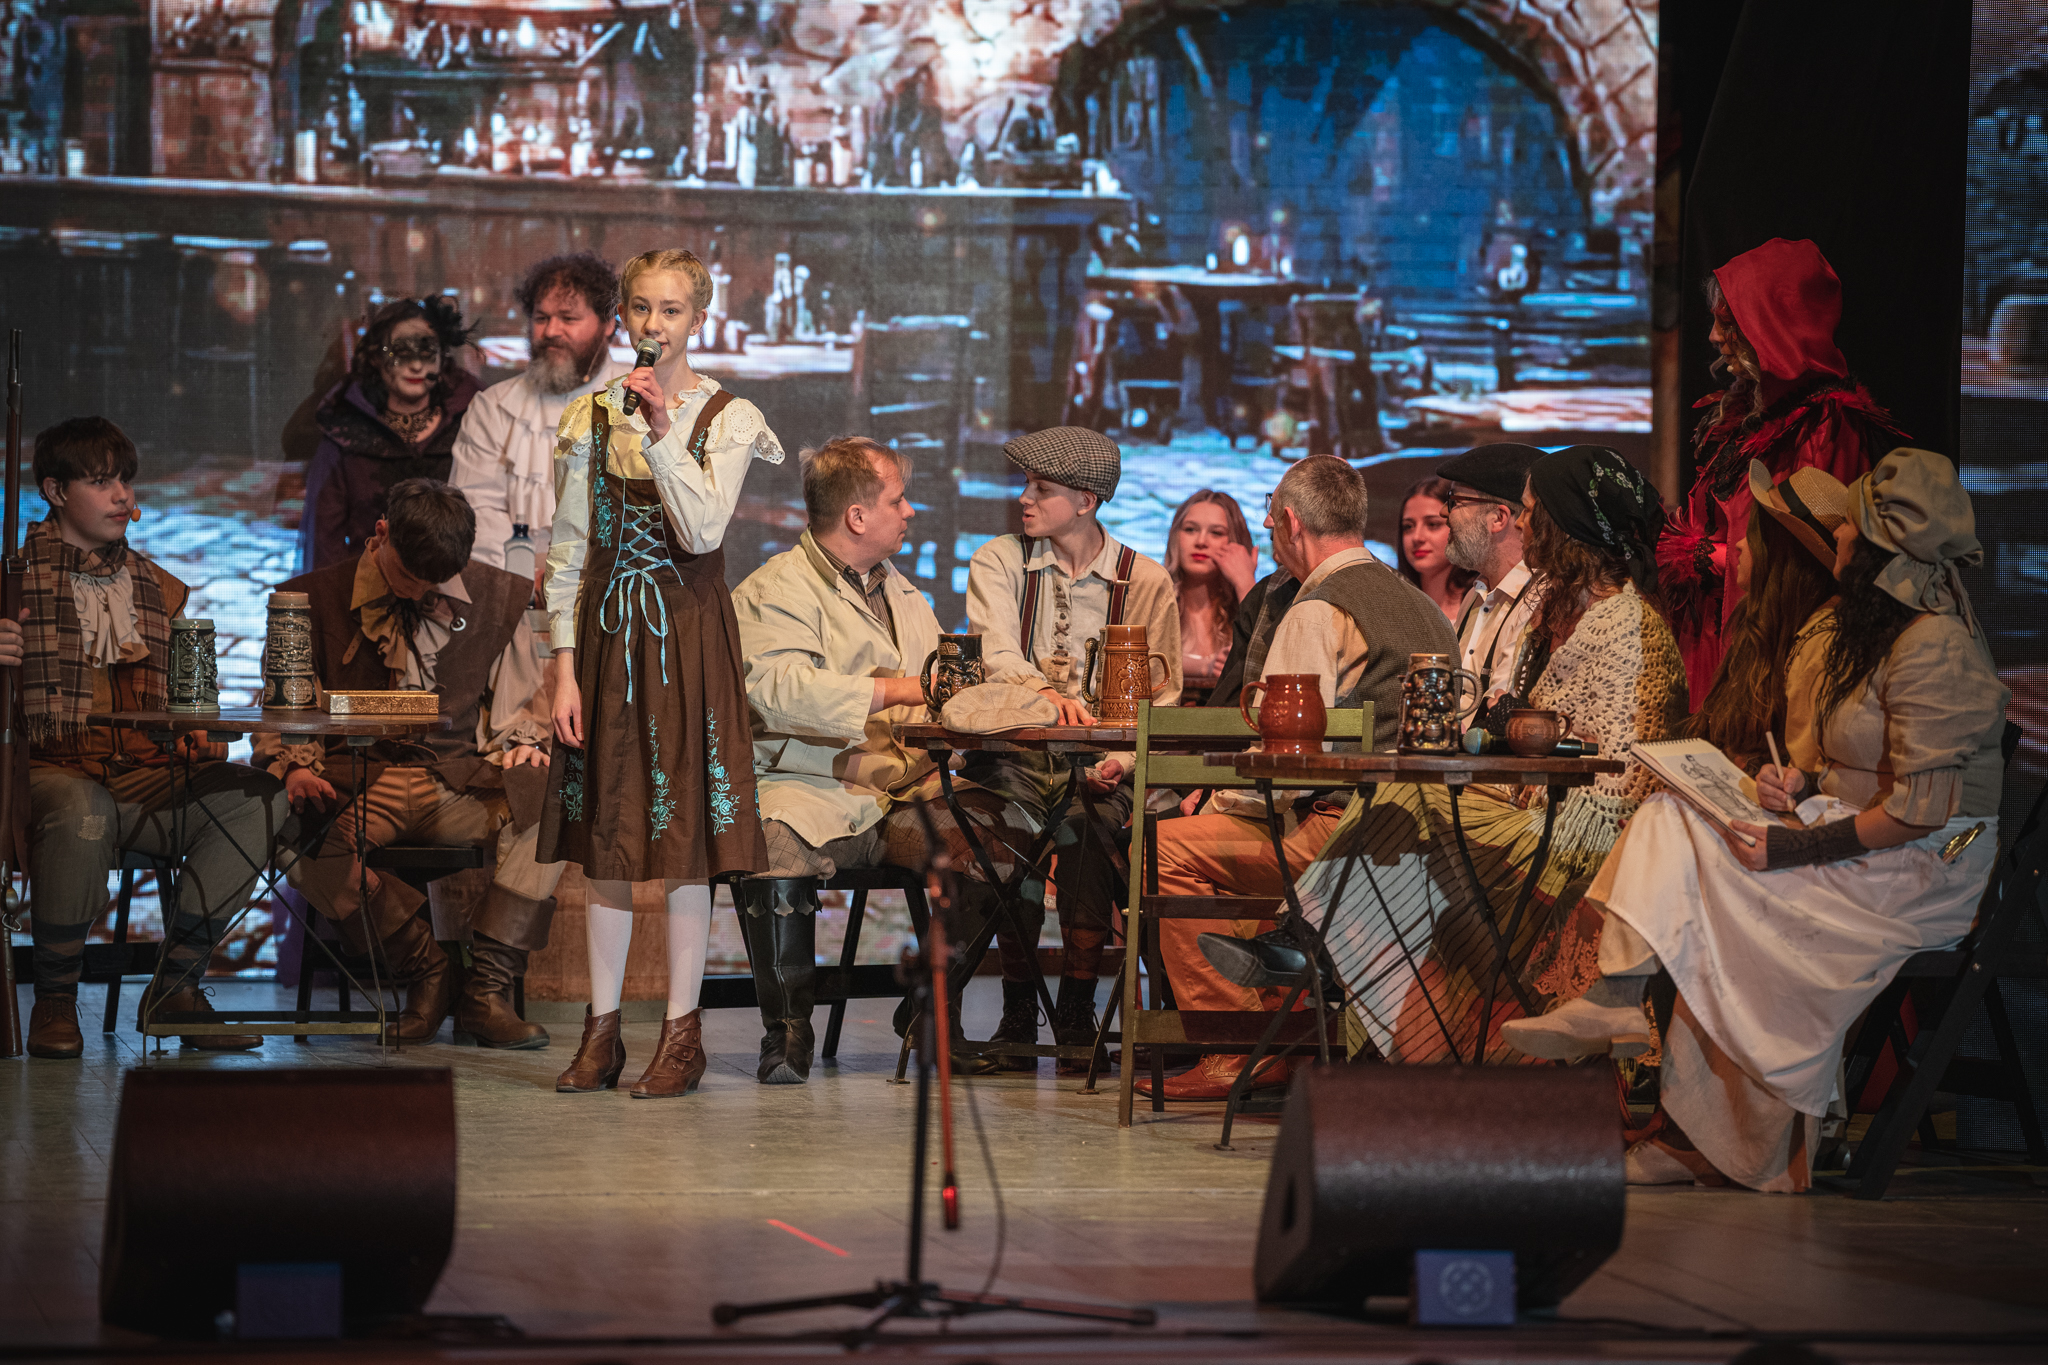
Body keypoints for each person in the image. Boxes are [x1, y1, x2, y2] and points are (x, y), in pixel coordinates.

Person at [1508, 450, 2006, 1193]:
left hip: (1921, 868)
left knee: (1730, 903)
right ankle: (1617, 996)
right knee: (1674, 809)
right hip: (1849, 835)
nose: (1838, 537)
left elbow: (1918, 812)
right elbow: (1840, 758)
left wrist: (1794, 845)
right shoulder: (1863, 634)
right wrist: (1794, 782)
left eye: (1850, 526)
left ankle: (1722, 1142)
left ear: (1878, 545)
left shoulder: (1936, 646)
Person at [1277, 446, 1685, 1069]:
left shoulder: (1621, 621)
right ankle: (1347, 977)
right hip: (1538, 804)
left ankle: (1315, 945)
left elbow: (1615, 781)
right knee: (1404, 804)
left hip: (1585, 831)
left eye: (1534, 512)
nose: (1524, 524)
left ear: (1566, 526)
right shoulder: (1571, 613)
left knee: (1410, 800)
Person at [540, 247, 781, 1099]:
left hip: (685, 636)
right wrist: (562, 668)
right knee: (608, 831)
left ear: (698, 318)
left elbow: (704, 530)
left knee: (682, 840)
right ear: (624, 317)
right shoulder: (589, 414)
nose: (654, 325)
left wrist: (659, 429)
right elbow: (568, 549)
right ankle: (601, 1030)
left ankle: (682, 1034)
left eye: (671, 310)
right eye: (641, 308)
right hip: (608, 637)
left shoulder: (727, 416)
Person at [1142, 456, 1458, 1100]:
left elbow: (1283, 767)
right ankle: (1279, 1033)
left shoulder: (1317, 609)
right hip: (1427, 830)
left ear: (1290, 523)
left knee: (1161, 848)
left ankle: (1239, 1048)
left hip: (1344, 835)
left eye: (1268, 520)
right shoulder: (1422, 605)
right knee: (1230, 839)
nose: (1268, 530)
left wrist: (1216, 804)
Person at [730, 437, 1038, 1084]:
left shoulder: (904, 594)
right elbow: (778, 690)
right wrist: (900, 690)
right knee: (774, 840)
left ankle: (929, 1013)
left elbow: (943, 688)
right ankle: (787, 1033)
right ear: (857, 516)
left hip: (905, 788)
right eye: (898, 500)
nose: (910, 511)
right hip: (812, 780)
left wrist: (1018, 701)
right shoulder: (774, 589)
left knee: (1001, 839)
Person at [19, 418, 288, 1059]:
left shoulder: (155, 587)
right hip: (47, 774)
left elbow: (185, 700)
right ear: (55, 491)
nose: (121, 496)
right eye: (100, 481)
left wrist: (200, 736)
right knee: (80, 809)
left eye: (125, 481)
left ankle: (177, 987)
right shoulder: (13, 582)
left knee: (258, 798)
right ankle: (55, 997)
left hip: (142, 775)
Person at [263, 479, 560, 1047]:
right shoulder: (308, 600)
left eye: (435, 579)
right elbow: (284, 709)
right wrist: (295, 765)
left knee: (551, 803)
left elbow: (518, 707)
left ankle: (486, 992)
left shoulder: (498, 597)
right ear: (381, 534)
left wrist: (526, 742)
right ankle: (427, 970)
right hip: (358, 784)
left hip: (455, 783)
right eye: (409, 574)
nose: (421, 589)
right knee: (283, 832)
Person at [963, 427, 1181, 1074]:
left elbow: (1162, 700)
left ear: (1086, 501)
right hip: (1017, 756)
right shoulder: (1000, 560)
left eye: (1041, 488)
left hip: (1103, 765)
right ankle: (1017, 1010)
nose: (1024, 499)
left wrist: (1123, 763)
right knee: (1003, 830)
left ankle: (1079, 1008)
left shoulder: (1144, 579)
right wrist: (1039, 694)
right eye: (1025, 485)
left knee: (1088, 829)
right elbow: (995, 651)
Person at [1657, 237, 1902, 705]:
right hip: (1710, 635)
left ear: (1769, 325)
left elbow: (1810, 555)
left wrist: (1710, 558)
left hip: (1763, 642)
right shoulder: (1743, 416)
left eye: (1729, 322)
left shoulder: (1824, 426)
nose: (1714, 337)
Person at [449, 254, 634, 573]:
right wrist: (523, 579)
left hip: (616, 583)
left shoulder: (639, 397)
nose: (551, 331)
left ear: (608, 324)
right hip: (514, 581)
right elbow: (476, 510)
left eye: (568, 318)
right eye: (541, 318)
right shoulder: (493, 407)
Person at [1682, 463, 1848, 774]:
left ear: (1781, 554)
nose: (1740, 544)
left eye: (1754, 535)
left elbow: (1805, 771)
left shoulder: (1822, 643)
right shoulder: (1759, 622)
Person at [301, 296, 481, 573]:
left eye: (427, 351)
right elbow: (324, 540)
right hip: (367, 589)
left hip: (455, 587)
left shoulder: (472, 423)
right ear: (376, 357)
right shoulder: (346, 433)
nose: (416, 365)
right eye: (401, 351)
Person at [1436, 443, 1544, 704]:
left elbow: (1501, 708)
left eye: (1455, 502)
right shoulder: (1476, 594)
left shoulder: (1539, 599)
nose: (1443, 512)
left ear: (1498, 518)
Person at [1163, 489, 1258, 702]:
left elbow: (1269, 659)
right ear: (1175, 537)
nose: (1201, 541)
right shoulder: (1156, 601)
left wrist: (1245, 583)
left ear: (1236, 542)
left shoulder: (1245, 606)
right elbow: (1141, 660)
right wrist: (1205, 667)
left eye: (1216, 533)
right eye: (1190, 529)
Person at [1396, 475, 1477, 622]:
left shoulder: (1481, 605)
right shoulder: (1391, 609)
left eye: (1432, 524)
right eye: (1408, 527)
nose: (1417, 537)